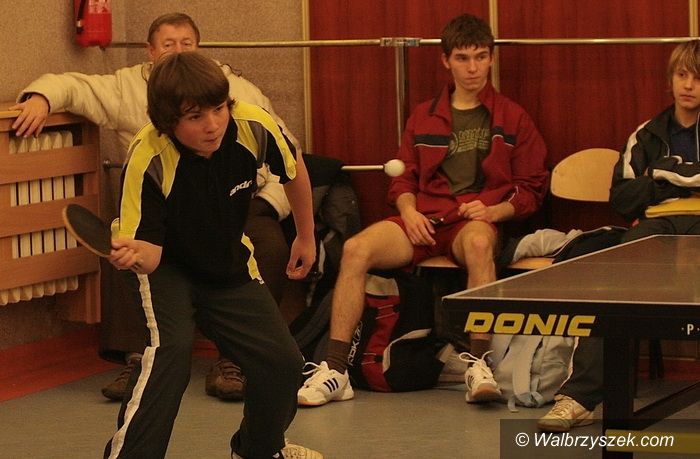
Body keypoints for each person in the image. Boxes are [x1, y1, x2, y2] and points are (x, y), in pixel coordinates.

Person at [11, 12, 301, 401]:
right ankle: (140, 357)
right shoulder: (127, 88)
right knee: (131, 253)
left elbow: (287, 150)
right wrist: (41, 98)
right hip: (163, 210)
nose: (178, 51)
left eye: (187, 44)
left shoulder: (235, 90)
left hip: (236, 202)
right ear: (150, 52)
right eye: (168, 44)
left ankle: (233, 360)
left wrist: (268, 203)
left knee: (270, 245)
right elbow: (74, 86)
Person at [296, 13, 548, 407]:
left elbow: (532, 187)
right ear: (446, 61)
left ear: (491, 58)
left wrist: (495, 211)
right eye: (462, 58)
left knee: (480, 245)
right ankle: (336, 370)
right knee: (355, 249)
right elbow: (403, 179)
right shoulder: (423, 115)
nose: (473, 68)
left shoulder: (512, 116)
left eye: (481, 57)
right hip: (424, 218)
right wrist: (409, 210)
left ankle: (479, 365)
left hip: (471, 222)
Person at [103, 50, 320, 459]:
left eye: (219, 109)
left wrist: (305, 237)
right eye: (195, 116)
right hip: (165, 269)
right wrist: (130, 256)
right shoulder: (147, 158)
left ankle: (257, 450)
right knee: (170, 355)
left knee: (282, 362)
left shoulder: (253, 125)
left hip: (226, 262)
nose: (213, 124)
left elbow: (293, 168)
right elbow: (149, 255)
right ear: (168, 122)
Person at [538, 39, 700, 432]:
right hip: (657, 226)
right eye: (682, 75)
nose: (688, 85)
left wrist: (661, 173)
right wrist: (666, 182)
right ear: (670, 80)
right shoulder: (646, 135)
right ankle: (579, 399)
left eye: (698, 78)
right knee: (613, 280)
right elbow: (624, 199)